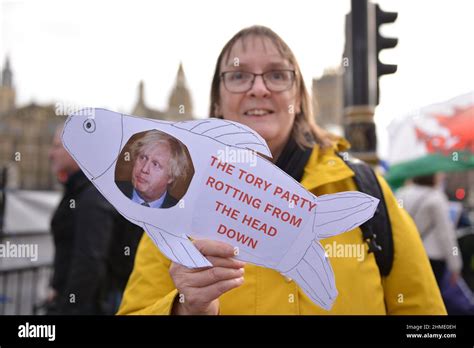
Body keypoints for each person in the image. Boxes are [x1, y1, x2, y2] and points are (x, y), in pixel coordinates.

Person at [117, 25, 446, 315]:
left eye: (276, 74)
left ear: (299, 97)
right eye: (238, 75)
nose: (258, 89)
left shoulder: (365, 189)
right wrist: (186, 309)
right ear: (216, 101)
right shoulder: (175, 204)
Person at [47, 124, 143, 314]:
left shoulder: (93, 195)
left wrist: (67, 307)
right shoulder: (86, 188)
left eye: (57, 146)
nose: (51, 154)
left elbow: (89, 261)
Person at [397, 174, 463, 286]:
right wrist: (455, 265)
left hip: (407, 253)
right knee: (431, 296)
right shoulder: (436, 197)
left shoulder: (401, 193)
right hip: (432, 255)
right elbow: (446, 233)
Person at [116, 130, 190, 208]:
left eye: (155, 164)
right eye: (143, 158)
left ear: (171, 177)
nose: (144, 169)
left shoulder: (179, 210)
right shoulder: (111, 192)